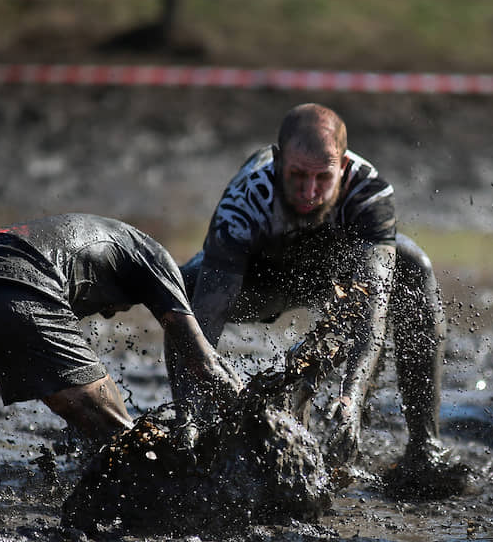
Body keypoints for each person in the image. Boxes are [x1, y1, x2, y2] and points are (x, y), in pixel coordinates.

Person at [180, 103, 467, 497]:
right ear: (278, 162)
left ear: (344, 167)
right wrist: (193, 419)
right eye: (297, 175)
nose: (309, 192)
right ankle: (191, 433)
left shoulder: (369, 192)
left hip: (332, 277)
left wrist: (349, 397)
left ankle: (424, 445)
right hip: (259, 282)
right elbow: (203, 327)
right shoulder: (244, 204)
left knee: (413, 265)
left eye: (323, 178)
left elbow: (373, 315)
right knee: (183, 283)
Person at [0, 213, 242, 492]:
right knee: (128, 441)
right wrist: (255, 413)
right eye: (123, 306)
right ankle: (167, 498)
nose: (111, 314)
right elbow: (204, 364)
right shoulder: (154, 258)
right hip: (15, 300)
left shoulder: (83, 237)